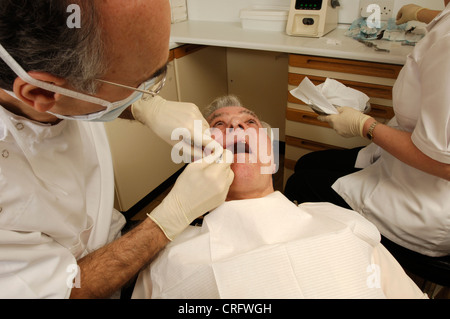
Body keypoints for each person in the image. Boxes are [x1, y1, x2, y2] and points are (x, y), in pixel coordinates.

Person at [0, 0, 233, 298]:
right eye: (139, 85)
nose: (234, 130)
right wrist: (167, 220)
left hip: (108, 235)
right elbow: (65, 290)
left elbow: (91, 98)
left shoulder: (62, 76)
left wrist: (144, 105)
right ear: (44, 92)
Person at [131, 95, 425, 299]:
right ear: (195, 158)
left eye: (250, 123)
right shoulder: (168, 256)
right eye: (218, 125)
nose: (235, 127)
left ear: (271, 155)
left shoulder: (342, 220)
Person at [284, 1, 450, 258]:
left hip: (422, 208)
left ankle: (321, 267)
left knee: (300, 183)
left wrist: (365, 126)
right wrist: (423, 14)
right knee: (307, 162)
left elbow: (444, 164)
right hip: (402, 167)